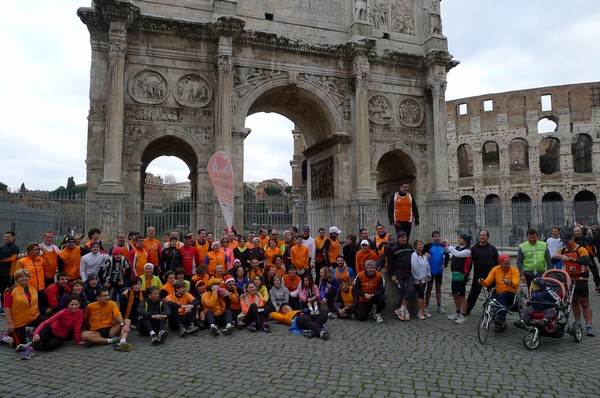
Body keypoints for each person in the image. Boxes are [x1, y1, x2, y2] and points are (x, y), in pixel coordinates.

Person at [553, 231, 594, 336]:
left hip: (581, 278)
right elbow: (553, 261)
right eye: (564, 242)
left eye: (567, 241)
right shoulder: (562, 250)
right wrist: (555, 258)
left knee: (584, 302)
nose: (565, 244)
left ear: (572, 239)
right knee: (574, 301)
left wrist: (570, 258)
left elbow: (586, 261)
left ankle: (589, 326)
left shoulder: (581, 249)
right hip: (569, 278)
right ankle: (578, 322)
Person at [3, 268, 47, 356]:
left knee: (47, 324)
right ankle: (5, 338)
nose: (24, 278)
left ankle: (31, 331)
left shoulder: (33, 288)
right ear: (16, 279)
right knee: (20, 345)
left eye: (26, 276)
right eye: (21, 277)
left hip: (33, 316)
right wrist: (10, 323)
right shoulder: (10, 291)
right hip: (18, 321)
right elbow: (6, 308)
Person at [477, 254, 520, 332]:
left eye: (508, 263)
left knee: (503, 296)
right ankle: (495, 318)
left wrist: (510, 282)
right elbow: (487, 282)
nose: (507, 266)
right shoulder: (495, 269)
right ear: (500, 263)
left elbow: (516, 284)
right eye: (505, 264)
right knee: (491, 300)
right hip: (499, 294)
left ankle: (501, 319)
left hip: (511, 294)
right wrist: (482, 281)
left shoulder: (514, 270)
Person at [81, 287, 132, 351]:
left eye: (108, 295)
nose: (107, 297)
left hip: (111, 329)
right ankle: (110, 341)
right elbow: (86, 319)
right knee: (84, 335)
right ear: (98, 298)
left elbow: (117, 315)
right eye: (104, 296)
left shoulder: (112, 303)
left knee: (127, 321)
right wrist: (89, 329)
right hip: (96, 331)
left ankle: (122, 342)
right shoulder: (90, 306)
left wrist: (122, 324)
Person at [466, 230, 499, 315]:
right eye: (480, 235)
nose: (482, 237)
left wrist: (498, 274)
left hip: (491, 275)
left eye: (484, 235)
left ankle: (494, 309)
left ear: (487, 237)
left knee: (493, 292)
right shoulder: (474, 248)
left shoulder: (492, 248)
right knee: (474, 293)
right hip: (478, 275)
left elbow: (497, 262)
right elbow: (469, 263)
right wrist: (467, 274)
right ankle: (467, 309)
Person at [386, 231, 414, 321]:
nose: (404, 239)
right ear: (398, 239)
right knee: (402, 291)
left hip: (408, 272)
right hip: (399, 273)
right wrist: (392, 275)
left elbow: (414, 256)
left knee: (411, 290)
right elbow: (390, 263)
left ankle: (401, 309)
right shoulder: (393, 249)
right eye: (402, 238)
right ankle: (406, 312)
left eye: (405, 237)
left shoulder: (409, 247)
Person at [445, 233, 472, 325]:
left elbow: (458, 254)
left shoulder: (468, 250)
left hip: (462, 275)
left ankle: (464, 316)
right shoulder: (457, 248)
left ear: (466, 240)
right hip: (454, 274)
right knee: (455, 294)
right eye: (459, 238)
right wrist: (444, 245)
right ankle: (457, 312)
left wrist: (449, 245)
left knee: (461, 296)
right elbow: (447, 250)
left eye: (460, 238)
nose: (458, 239)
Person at [423, 231, 449, 314]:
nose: (437, 237)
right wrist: (425, 253)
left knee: (438, 288)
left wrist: (445, 264)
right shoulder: (428, 246)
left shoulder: (443, 246)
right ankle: (427, 304)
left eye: (439, 236)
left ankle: (439, 305)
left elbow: (447, 255)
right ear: (433, 237)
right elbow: (421, 252)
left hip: (439, 271)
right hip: (430, 271)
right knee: (429, 287)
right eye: (435, 236)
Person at [574, 226, 600, 294]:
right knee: (578, 274)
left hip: (589, 259)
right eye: (575, 231)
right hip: (578, 260)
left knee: (595, 273)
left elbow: (591, 248)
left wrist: (593, 256)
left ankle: (597, 287)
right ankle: (578, 287)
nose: (577, 233)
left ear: (581, 231)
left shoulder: (587, 239)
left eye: (578, 231)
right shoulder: (573, 240)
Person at [411, 240, 431, 320]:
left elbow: (427, 265)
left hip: (424, 278)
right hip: (418, 279)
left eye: (422, 244)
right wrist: (418, 277)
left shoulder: (424, 255)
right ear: (415, 246)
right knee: (421, 294)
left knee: (423, 294)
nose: (421, 246)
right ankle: (420, 311)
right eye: (419, 245)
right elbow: (414, 267)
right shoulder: (414, 255)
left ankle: (423, 310)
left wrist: (428, 275)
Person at [0, 231, 20, 310]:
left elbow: (13, 259)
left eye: (8, 237)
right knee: (2, 291)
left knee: (9, 291)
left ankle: (10, 307)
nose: (6, 238)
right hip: (1, 273)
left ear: (13, 237)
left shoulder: (15, 248)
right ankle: (3, 307)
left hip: (10, 273)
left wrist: (1, 260)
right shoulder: (2, 247)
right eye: (5, 237)